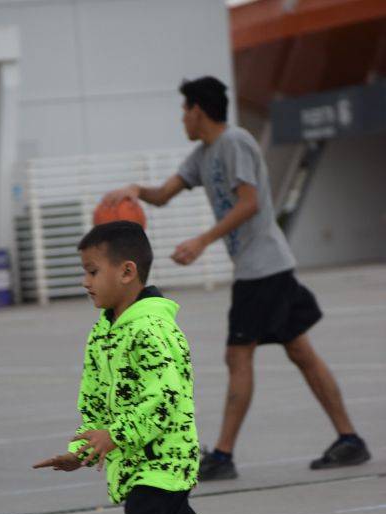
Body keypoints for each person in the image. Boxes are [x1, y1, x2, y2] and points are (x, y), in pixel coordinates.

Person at [102, 76, 370, 480]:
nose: (182, 118)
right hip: (264, 269)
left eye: (184, 111)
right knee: (301, 353)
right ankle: (350, 439)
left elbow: (249, 203)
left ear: (197, 110)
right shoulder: (202, 155)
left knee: (238, 355)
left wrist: (202, 241)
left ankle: (224, 456)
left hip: (263, 268)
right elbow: (163, 195)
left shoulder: (235, 142)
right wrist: (134, 190)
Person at [34, 221, 270, 514]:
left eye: (92, 271)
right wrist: (81, 450)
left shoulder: (154, 329)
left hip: (165, 461)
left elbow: (165, 399)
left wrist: (115, 436)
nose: (84, 281)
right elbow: (94, 402)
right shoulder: (103, 332)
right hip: (134, 462)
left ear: (126, 272)